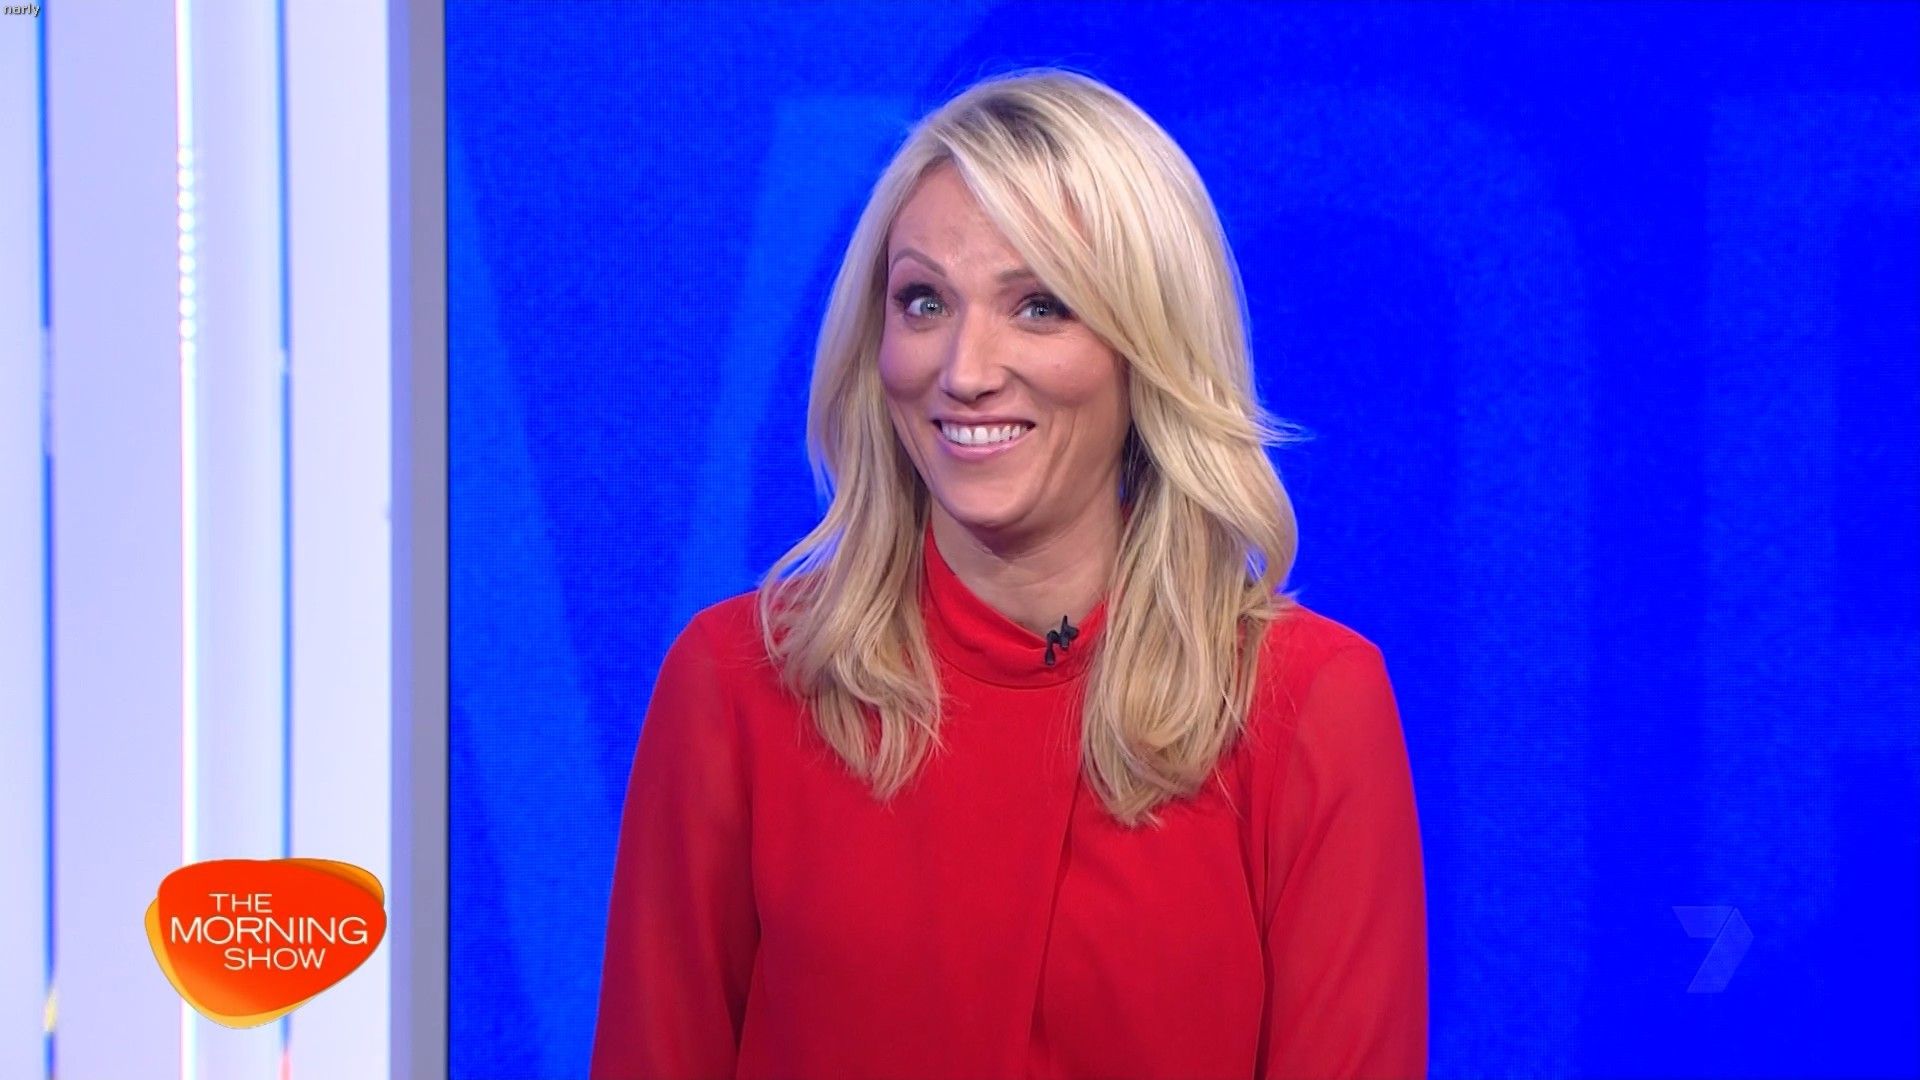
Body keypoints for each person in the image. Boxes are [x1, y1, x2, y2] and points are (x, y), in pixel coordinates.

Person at [591, 68, 1427, 1080]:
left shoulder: (1306, 706)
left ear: (1147, 348)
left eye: (1039, 306)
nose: (965, 370)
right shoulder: (741, 684)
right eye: (924, 301)